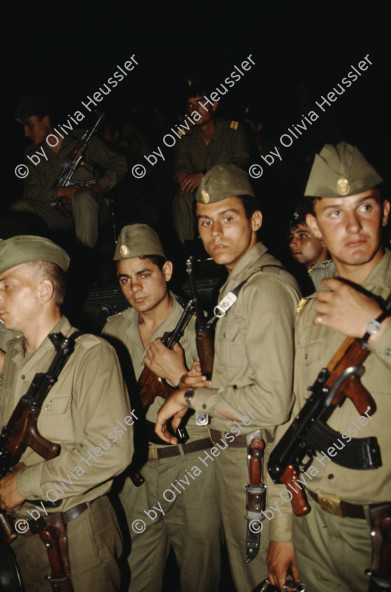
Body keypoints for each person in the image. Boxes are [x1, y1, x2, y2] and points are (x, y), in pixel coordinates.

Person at [155, 164, 301, 591]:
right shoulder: (235, 287)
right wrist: (194, 383)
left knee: (262, 580)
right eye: (205, 222)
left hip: (259, 465)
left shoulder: (266, 289)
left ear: (255, 221)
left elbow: (273, 403)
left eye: (228, 218)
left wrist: (190, 398)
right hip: (236, 460)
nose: (214, 232)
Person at [266, 142, 391, 592]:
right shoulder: (307, 312)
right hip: (313, 524)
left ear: (385, 211)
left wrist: (376, 329)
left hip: (381, 532)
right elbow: (294, 421)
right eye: (335, 213)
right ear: (314, 225)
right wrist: (282, 530)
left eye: (365, 207)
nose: (353, 226)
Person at [0, 235, 134, 592]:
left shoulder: (91, 355)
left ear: (44, 290)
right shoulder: (13, 357)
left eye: (7, 286)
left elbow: (113, 451)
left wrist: (23, 484)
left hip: (77, 540)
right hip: (22, 539)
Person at [102, 224, 221, 592]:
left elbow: (229, 408)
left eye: (144, 274)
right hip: (135, 474)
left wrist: (179, 375)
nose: (134, 288)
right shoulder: (113, 330)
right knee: (136, 578)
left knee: (200, 578)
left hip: (193, 468)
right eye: (124, 279)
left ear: (166, 272)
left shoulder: (204, 330)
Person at [12, 96, 128, 250]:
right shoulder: (32, 154)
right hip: (59, 213)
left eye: (30, 126)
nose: (26, 133)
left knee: (83, 197)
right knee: (20, 206)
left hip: (94, 209)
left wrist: (102, 186)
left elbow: (120, 163)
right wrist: (61, 192)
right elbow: (30, 191)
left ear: (45, 121)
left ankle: (85, 261)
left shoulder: (81, 139)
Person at [172, 82, 250, 245]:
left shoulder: (233, 130)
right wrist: (185, 179)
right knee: (182, 198)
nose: (194, 110)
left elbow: (241, 165)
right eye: (190, 105)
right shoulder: (184, 137)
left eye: (200, 103)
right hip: (200, 196)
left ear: (213, 105)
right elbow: (181, 167)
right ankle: (188, 252)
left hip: (231, 190)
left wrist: (205, 175)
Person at [288, 201, 335, 290]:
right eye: (291, 238)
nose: (292, 244)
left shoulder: (334, 275)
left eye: (302, 236)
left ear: (324, 239)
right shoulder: (298, 277)